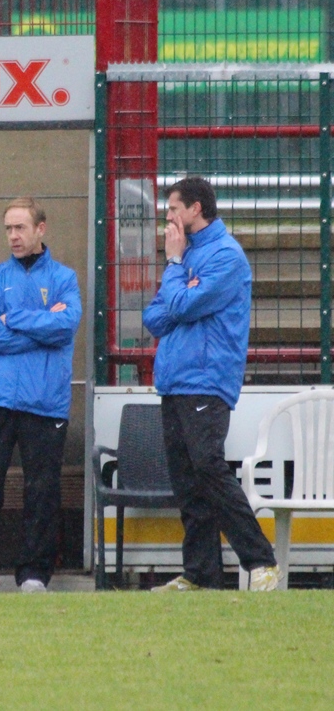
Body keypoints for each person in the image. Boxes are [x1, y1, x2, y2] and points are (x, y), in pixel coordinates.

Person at [143, 176, 280, 592]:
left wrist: (174, 269)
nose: (167, 217)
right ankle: (200, 574)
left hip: (206, 379)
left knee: (208, 468)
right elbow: (155, 317)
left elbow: (182, 305)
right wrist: (180, 289)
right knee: (187, 481)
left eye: (173, 208)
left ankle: (261, 561)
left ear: (195, 209)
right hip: (174, 381)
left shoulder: (225, 256)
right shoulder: (187, 255)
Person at [0, 198, 81, 594]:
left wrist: (16, 319)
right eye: (8, 228)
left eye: (20, 227)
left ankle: (34, 574)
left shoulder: (64, 278)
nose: (13, 236)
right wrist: (41, 328)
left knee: (42, 489)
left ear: (41, 229)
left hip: (45, 399)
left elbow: (65, 327)